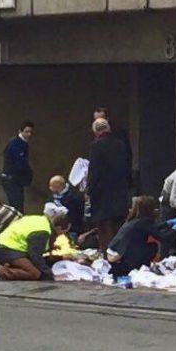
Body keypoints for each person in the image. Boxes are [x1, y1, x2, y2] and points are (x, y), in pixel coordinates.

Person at [0, 213, 72, 282]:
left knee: (35, 268)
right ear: (59, 228)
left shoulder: (41, 219)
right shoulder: (43, 231)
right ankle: (1, 271)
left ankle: (8, 265)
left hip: (8, 244)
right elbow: (36, 257)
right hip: (9, 248)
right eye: (64, 232)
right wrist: (50, 276)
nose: (62, 235)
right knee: (35, 274)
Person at [87, 118, 130, 253]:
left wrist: (89, 189)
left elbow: (95, 171)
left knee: (105, 227)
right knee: (119, 226)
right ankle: (120, 253)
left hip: (102, 193)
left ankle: (107, 255)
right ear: (108, 129)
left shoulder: (96, 146)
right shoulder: (120, 145)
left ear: (95, 131)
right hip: (120, 191)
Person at [107, 196, 176, 277]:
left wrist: (166, 224)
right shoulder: (143, 222)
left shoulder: (132, 220)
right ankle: (137, 268)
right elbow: (163, 238)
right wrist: (174, 230)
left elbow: (152, 228)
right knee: (152, 247)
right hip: (123, 260)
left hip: (113, 255)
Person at [92, 106, 133, 187]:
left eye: (101, 119)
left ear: (107, 119)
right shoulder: (95, 138)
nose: (98, 122)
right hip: (101, 180)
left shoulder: (119, 134)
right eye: (96, 120)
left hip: (117, 177)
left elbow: (128, 155)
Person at [1, 121, 34, 212]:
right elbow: (20, 163)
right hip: (12, 179)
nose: (29, 134)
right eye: (27, 132)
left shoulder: (20, 143)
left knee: (18, 205)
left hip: (15, 179)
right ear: (21, 131)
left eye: (30, 132)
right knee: (17, 206)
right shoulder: (16, 144)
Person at [48, 175, 85, 242]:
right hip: (55, 228)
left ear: (60, 186)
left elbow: (78, 214)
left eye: (53, 186)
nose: (50, 188)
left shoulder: (74, 197)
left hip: (72, 229)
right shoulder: (54, 195)